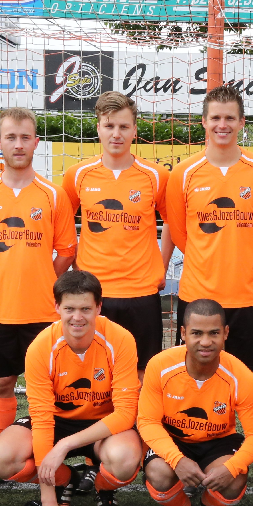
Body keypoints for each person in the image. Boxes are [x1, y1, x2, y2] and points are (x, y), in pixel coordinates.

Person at [0, 271, 142, 506]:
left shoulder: (120, 339)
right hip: (56, 422)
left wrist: (66, 445)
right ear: (56, 307)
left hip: (102, 424)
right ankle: (66, 481)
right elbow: (43, 420)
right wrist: (48, 503)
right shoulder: (41, 347)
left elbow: (126, 413)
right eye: (69, 308)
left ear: (99, 307)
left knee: (126, 458)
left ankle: (104, 489)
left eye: (85, 309)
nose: (77, 317)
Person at [0, 108, 77, 490]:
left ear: (36, 142)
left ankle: (51, 456)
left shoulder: (52, 194)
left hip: (43, 313)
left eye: (25, 137)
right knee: (1, 384)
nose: (18, 144)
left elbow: (67, 251)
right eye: (11, 137)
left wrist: (43, 280)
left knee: (48, 389)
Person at [166, 85, 253, 394]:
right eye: (216, 118)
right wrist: (208, 259)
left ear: (242, 122)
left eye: (230, 118)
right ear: (204, 121)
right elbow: (179, 233)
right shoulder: (184, 173)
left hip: (249, 296)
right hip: (198, 296)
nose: (222, 125)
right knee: (193, 378)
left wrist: (247, 257)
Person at [138, 299, 253, 506]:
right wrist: (177, 460)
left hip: (218, 441)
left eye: (214, 333)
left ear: (226, 333)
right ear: (183, 333)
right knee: (158, 473)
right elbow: (147, 421)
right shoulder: (160, 365)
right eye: (197, 333)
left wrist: (231, 467)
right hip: (174, 439)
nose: (206, 342)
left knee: (235, 479)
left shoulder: (241, 375)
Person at [64, 91, 171, 380]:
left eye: (124, 126)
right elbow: (61, 224)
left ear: (135, 130)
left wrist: (161, 266)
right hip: (94, 292)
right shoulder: (78, 175)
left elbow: (172, 222)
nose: (116, 134)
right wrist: (74, 265)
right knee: (95, 371)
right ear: (98, 128)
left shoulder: (156, 176)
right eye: (109, 126)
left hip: (141, 292)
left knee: (142, 372)